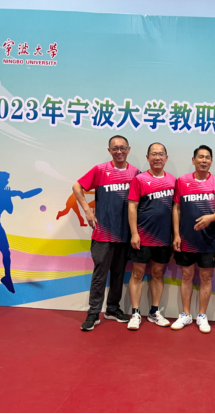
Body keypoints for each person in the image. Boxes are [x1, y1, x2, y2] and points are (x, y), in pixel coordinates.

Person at [75, 136, 140, 331]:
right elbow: (77, 186)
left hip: (124, 233)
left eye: (122, 148)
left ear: (128, 150)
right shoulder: (100, 170)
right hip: (103, 232)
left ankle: (112, 309)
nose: (119, 151)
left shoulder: (136, 173)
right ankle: (93, 313)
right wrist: (87, 210)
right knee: (100, 274)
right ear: (109, 150)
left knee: (119, 273)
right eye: (115, 148)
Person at [171, 145, 215, 334]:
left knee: (205, 277)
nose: (204, 160)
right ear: (193, 160)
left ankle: (202, 315)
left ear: (211, 161)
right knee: (186, 276)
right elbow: (176, 208)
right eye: (201, 157)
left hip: (208, 240)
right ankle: (186, 314)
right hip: (186, 239)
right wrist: (176, 235)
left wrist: (210, 218)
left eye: (207, 157)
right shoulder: (182, 181)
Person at [127, 143, 175, 331]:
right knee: (137, 274)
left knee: (157, 274)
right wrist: (134, 233)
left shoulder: (173, 181)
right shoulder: (139, 179)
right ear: (147, 158)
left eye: (161, 154)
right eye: (153, 154)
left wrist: (175, 235)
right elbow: (132, 207)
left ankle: (154, 312)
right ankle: (135, 313)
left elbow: (176, 210)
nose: (157, 157)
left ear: (166, 158)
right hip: (142, 237)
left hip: (163, 238)